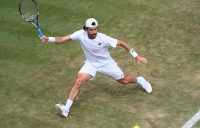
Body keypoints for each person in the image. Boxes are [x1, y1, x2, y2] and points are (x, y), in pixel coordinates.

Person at [41, 18, 152, 118]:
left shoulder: (103, 38)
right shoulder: (80, 34)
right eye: (91, 30)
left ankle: (140, 80)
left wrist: (136, 55)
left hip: (107, 64)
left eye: (95, 29)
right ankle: (66, 109)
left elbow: (121, 43)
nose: (94, 32)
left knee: (124, 81)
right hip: (91, 63)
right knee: (78, 81)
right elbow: (64, 39)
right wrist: (49, 39)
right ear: (86, 29)